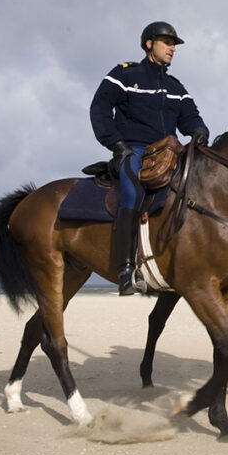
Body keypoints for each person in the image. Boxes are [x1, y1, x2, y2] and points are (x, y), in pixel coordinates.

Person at [90, 21, 209, 295]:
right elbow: (99, 109)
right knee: (132, 191)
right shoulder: (124, 75)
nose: (172, 48)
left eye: (174, 45)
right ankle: (126, 269)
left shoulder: (176, 86)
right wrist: (116, 144)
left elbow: (190, 117)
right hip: (133, 151)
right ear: (149, 44)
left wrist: (199, 130)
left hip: (170, 153)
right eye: (167, 43)